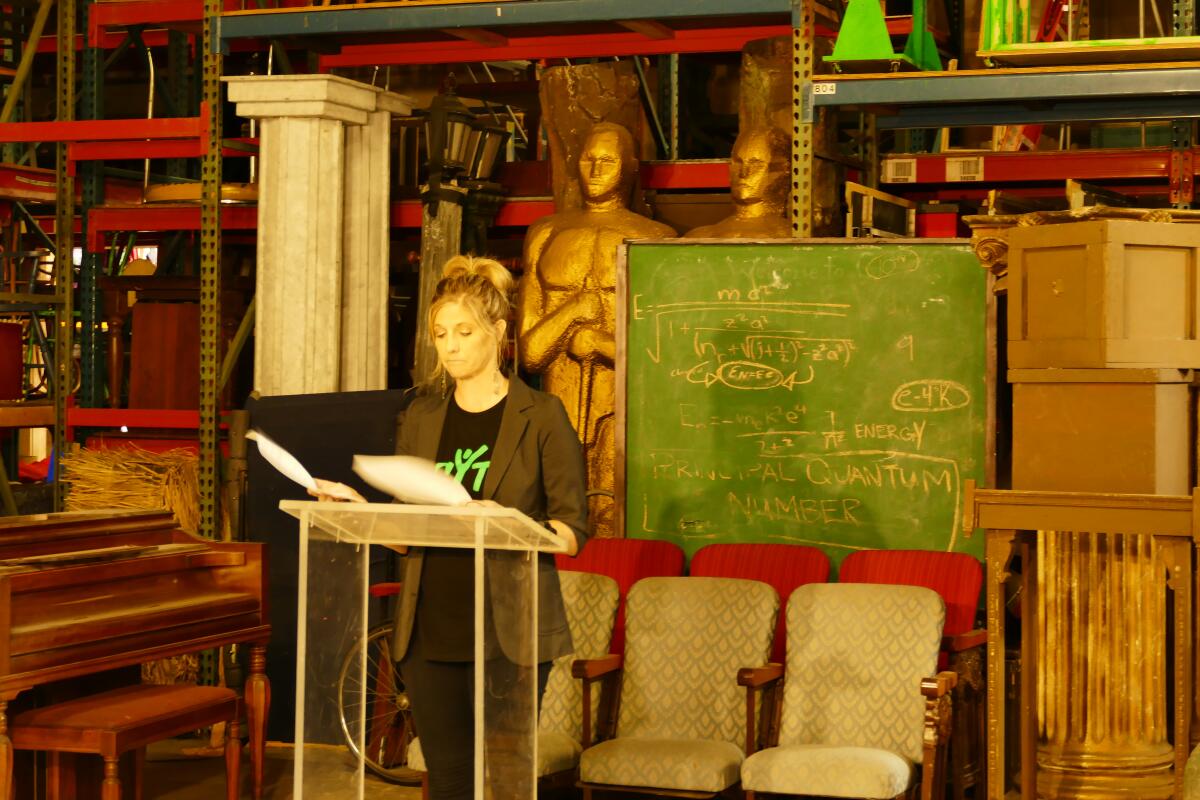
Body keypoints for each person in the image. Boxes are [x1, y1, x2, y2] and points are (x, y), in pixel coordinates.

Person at [314, 254, 588, 800]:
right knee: (449, 781)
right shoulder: (422, 417)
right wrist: (357, 508)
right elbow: (407, 530)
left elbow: (572, 533)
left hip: (509, 632)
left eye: (464, 332)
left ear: (499, 332)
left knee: (503, 782)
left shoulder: (543, 415)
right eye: (441, 334)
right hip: (430, 628)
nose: (451, 346)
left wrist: (507, 521)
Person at [518, 121, 676, 538]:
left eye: (606, 160)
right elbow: (531, 352)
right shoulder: (547, 232)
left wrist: (604, 343)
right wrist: (573, 311)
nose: (595, 169)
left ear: (629, 167)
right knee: (555, 515)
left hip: (620, 409)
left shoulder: (656, 239)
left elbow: (667, 352)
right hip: (558, 404)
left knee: (614, 515)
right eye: (588, 159)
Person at [684, 126, 791, 239]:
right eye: (738, 162)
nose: (744, 173)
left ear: (781, 171)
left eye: (755, 164)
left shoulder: (787, 236)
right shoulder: (700, 235)